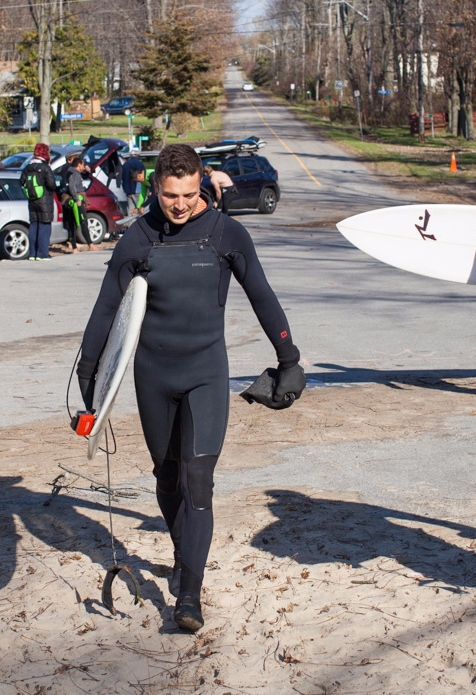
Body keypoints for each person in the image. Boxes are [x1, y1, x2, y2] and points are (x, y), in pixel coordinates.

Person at [76, 144, 305, 633]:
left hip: (205, 371)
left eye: (188, 193)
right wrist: (89, 373)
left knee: (198, 478)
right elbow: (106, 307)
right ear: (155, 189)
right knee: (167, 476)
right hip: (153, 375)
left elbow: (262, 295)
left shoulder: (226, 234)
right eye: (169, 196)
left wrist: (289, 359)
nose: (179, 205)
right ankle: (184, 554)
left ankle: (189, 595)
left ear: (202, 182)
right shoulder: (138, 238)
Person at [20, 143, 57, 260]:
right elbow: (51, 184)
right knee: (44, 227)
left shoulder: (28, 167)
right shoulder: (45, 168)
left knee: (34, 225)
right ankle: (42, 254)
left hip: (32, 201)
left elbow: (21, 182)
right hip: (45, 201)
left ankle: (33, 253)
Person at [61, 155, 99, 252]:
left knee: (71, 224)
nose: (83, 166)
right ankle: (90, 245)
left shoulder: (69, 171)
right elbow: (72, 186)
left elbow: (84, 176)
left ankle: (74, 248)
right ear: (79, 164)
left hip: (68, 201)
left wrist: (88, 171)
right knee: (83, 222)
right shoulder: (74, 173)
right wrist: (77, 199)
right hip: (75, 201)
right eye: (83, 164)